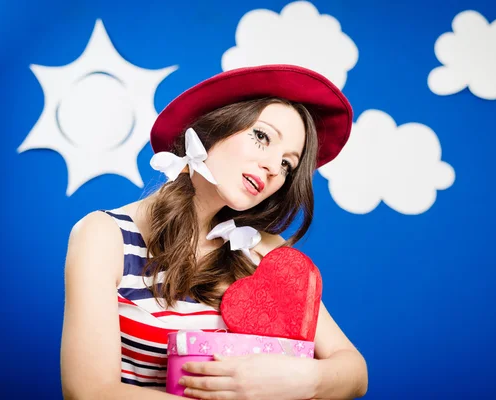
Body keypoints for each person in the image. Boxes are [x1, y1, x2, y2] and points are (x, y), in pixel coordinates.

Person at [60, 64, 368, 400]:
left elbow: (354, 372)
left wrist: (301, 379)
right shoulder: (104, 236)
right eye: (261, 136)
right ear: (213, 126)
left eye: (287, 164)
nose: (273, 168)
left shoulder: (262, 251)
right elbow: (88, 391)